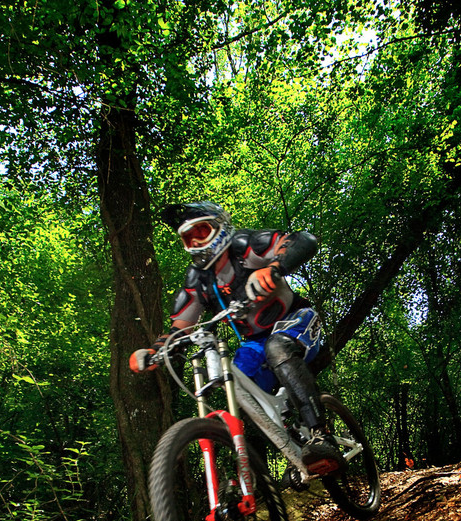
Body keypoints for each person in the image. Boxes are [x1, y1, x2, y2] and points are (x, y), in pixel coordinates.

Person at [128, 201, 343, 475]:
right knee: (237, 382)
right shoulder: (198, 279)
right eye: (187, 237)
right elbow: (180, 326)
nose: (195, 242)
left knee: (277, 348)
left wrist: (274, 267)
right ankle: (296, 447)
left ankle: (320, 434)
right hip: (254, 342)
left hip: (294, 320)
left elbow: (302, 240)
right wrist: (155, 351)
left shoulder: (245, 247)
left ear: (219, 226)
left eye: (201, 231)